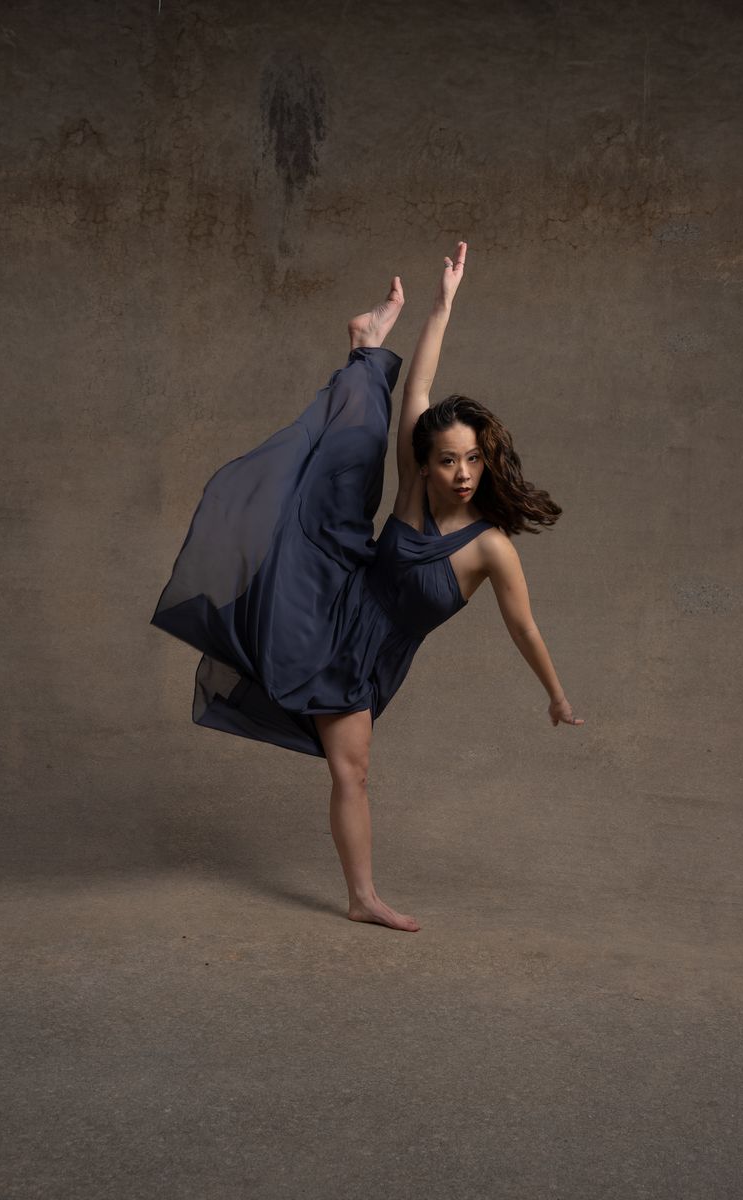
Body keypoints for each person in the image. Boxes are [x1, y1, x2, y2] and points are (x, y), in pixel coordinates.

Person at [151, 240, 584, 934]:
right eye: (448, 460)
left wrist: (556, 695)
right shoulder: (414, 492)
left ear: (488, 459)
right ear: (431, 465)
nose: (463, 472)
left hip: (367, 650)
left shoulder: (492, 549)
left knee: (349, 768)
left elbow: (524, 629)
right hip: (333, 621)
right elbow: (418, 390)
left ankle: (363, 344)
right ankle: (363, 898)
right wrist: (441, 307)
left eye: (473, 459)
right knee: (351, 771)